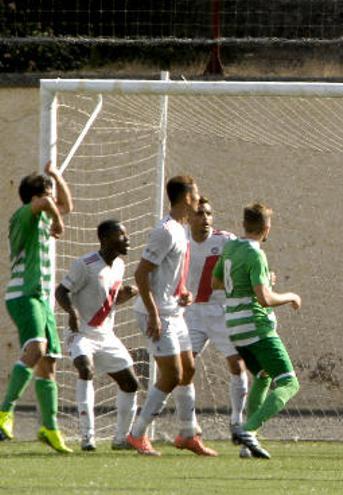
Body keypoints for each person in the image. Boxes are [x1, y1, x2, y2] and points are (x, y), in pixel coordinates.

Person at [126, 175, 217, 456]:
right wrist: (153, 314)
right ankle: (137, 434)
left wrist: (184, 292)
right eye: (196, 194)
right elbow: (141, 274)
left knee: (188, 369)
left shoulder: (181, 229)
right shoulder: (165, 230)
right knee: (172, 373)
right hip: (156, 314)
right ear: (187, 197)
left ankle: (188, 434)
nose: (199, 198)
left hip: (174, 311)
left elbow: (170, 274)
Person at [212, 203, 301, 460]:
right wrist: (290, 296)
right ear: (267, 228)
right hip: (256, 326)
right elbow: (264, 299)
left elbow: (216, 282)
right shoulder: (255, 254)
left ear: (244, 224)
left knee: (262, 376)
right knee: (288, 382)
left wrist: (257, 283)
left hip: (235, 327)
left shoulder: (231, 248)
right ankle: (247, 430)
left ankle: (246, 445)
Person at [0, 160, 73, 453]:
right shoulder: (22, 216)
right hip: (22, 294)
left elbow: (66, 204)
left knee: (48, 362)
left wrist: (55, 175)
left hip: (41, 297)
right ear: (35, 197)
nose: (54, 201)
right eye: (48, 194)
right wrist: (56, 219)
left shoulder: (43, 217)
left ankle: (50, 428)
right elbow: (48, 204)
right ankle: (5, 411)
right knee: (37, 347)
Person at [55, 220, 140, 451]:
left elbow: (108, 300)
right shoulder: (86, 264)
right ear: (104, 239)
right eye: (121, 235)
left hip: (105, 335)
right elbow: (61, 291)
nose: (127, 239)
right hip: (81, 333)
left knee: (131, 383)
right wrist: (71, 312)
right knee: (86, 369)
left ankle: (121, 439)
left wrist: (125, 294)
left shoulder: (120, 265)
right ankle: (87, 437)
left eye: (126, 234)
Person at [184, 197, 249, 440]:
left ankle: (236, 421)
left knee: (236, 362)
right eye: (200, 214)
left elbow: (247, 261)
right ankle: (189, 425)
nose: (206, 219)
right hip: (191, 313)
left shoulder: (225, 240)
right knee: (184, 367)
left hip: (221, 311)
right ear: (189, 218)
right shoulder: (181, 240)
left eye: (209, 214)